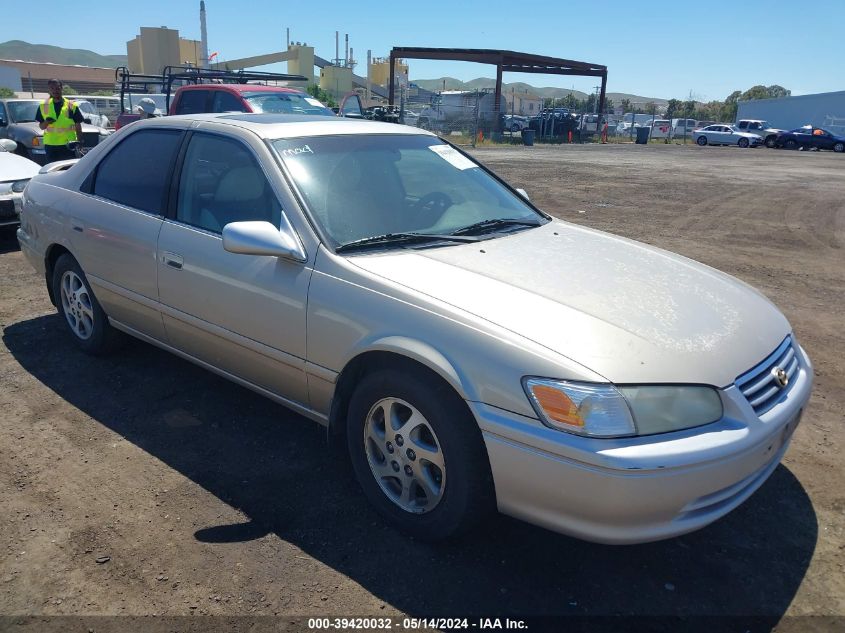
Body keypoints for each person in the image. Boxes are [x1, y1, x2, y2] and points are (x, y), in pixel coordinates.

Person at [36, 79, 84, 163]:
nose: (55, 91)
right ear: (49, 90)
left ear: (61, 88)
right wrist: (47, 122)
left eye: (57, 88)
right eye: (52, 88)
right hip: (51, 146)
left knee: (68, 170)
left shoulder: (71, 105)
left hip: (68, 145)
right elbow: (41, 127)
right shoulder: (43, 105)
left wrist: (79, 142)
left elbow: (78, 125)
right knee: (52, 171)